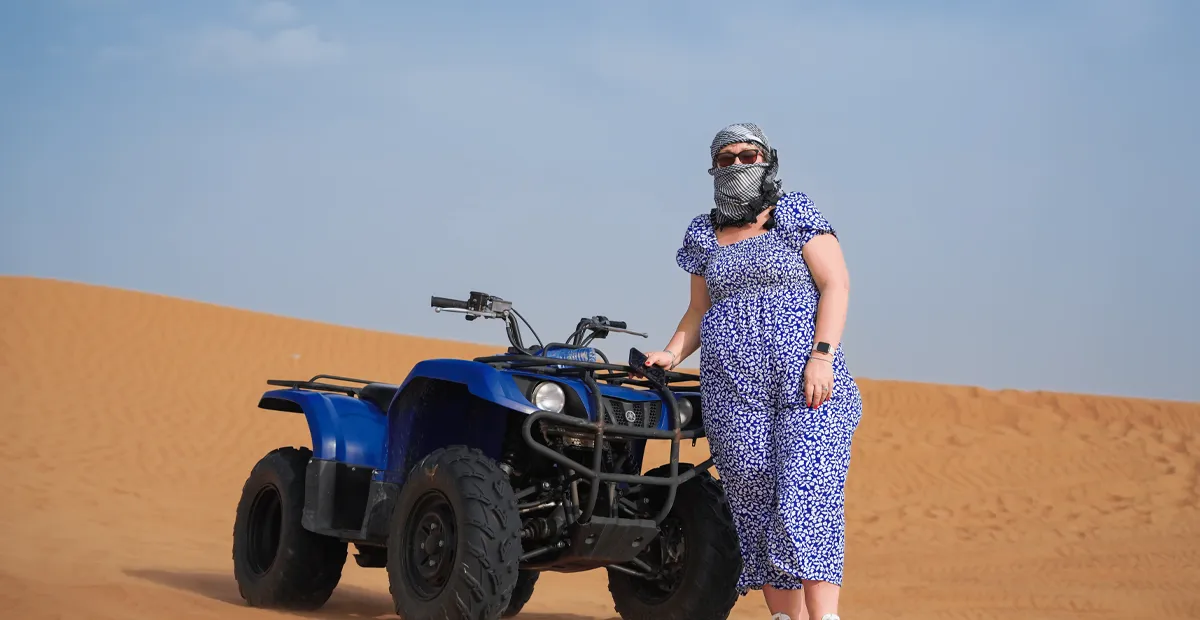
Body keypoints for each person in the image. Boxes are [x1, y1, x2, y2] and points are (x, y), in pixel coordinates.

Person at [642, 122, 863, 620]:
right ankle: (786, 617)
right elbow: (699, 310)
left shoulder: (792, 213)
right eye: (727, 159)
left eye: (749, 155)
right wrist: (672, 354)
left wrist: (822, 356)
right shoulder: (703, 232)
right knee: (755, 503)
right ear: (713, 169)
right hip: (732, 392)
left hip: (805, 381)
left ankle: (825, 617)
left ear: (768, 160)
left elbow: (836, 283)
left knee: (805, 495)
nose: (739, 165)